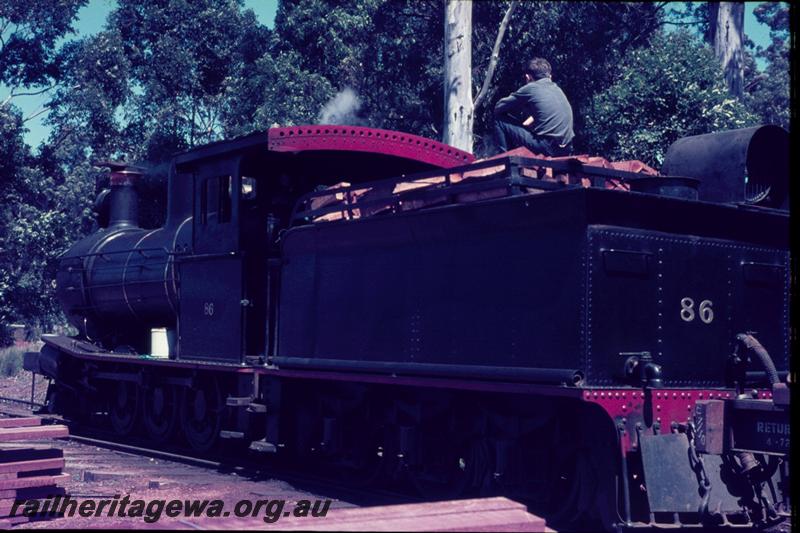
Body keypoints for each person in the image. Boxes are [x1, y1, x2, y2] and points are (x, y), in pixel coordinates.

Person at [493, 58, 574, 156]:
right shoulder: (557, 89)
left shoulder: (531, 88)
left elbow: (498, 107)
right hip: (567, 148)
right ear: (549, 76)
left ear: (528, 77)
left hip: (547, 147)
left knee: (499, 120)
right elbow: (546, 114)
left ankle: (505, 161)